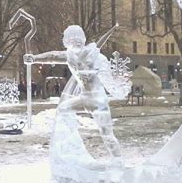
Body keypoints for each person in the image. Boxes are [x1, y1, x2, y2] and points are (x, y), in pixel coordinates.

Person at [24, 25, 123, 164]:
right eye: (72, 39)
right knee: (63, 109)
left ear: (83, 40)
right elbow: (52, 56)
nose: (75, 42)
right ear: (67, 42)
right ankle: (70, 145)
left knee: (106, 134)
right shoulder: (69, 56)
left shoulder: (93, 53)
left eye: (78, 39)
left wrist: (111, 30)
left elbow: (101, 47)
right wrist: (34, 58)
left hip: (98, 101)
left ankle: (118, 161)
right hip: (85, 99)